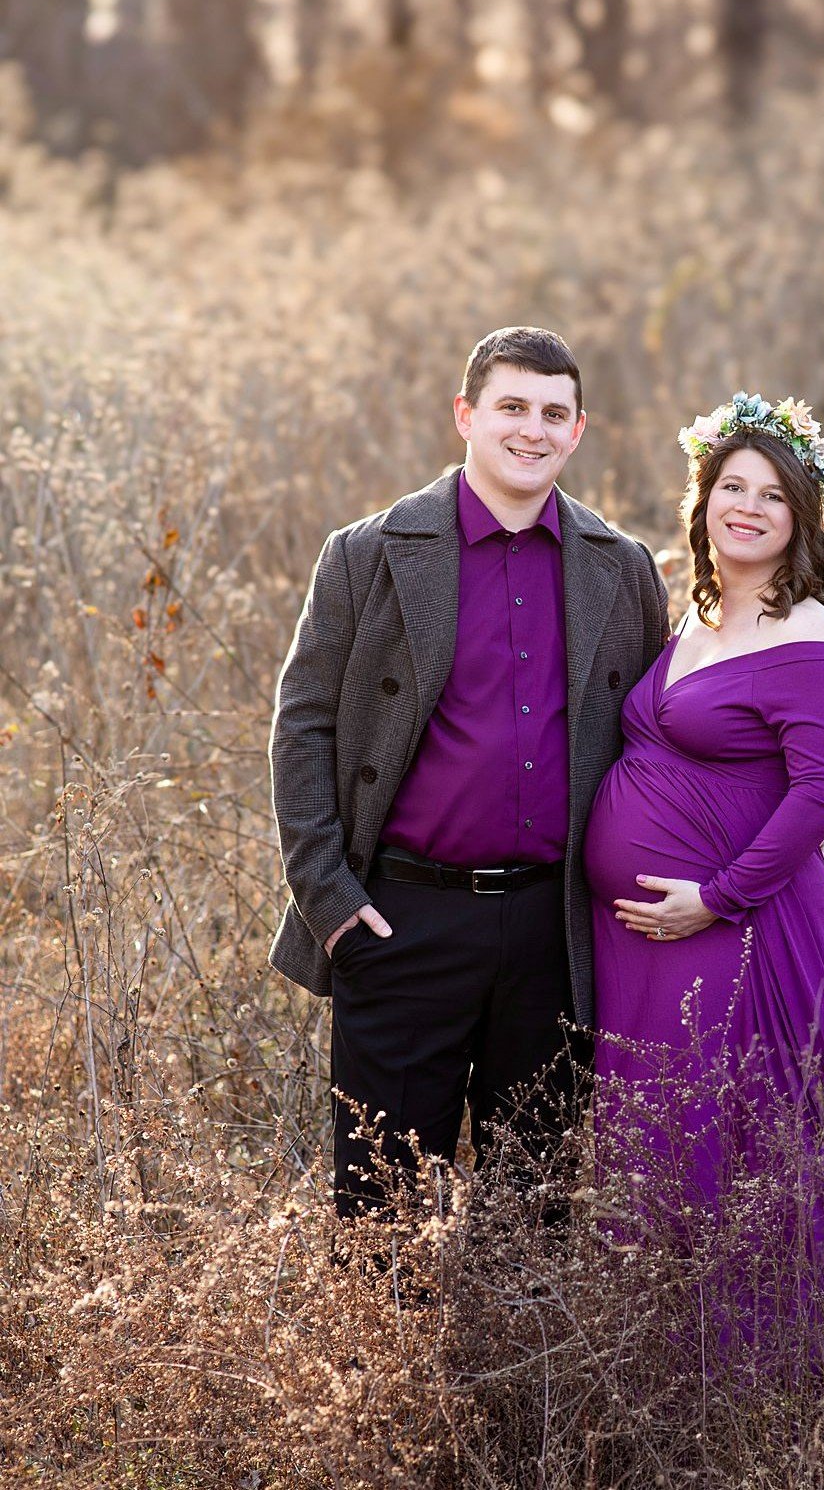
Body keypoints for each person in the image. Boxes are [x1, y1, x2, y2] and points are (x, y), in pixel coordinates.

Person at [269, 326, 669, 1219]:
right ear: (466, 415)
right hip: (401, 919)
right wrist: (331, 901)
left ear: (578, 430)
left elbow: (652, 744)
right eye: (512, 406)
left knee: (534, 1206)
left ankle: (516, 1321)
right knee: (380, 1206)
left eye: (554, 413)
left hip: (555, 929)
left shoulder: (624, 569)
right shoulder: (367, 553)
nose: (532, 429)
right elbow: (303, 725)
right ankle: (380, 1320)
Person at [584, 392, 824, 1364]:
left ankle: (784, 1365)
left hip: (739, 928)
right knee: (660, 1127)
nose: (746, 508)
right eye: (731, 487)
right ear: (703, 500)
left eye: (772, 496)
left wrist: (717, 898)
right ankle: (663, 1356)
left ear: (801, 518)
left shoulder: (809, 634)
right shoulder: (700, 613)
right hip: (646, 936)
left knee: (744, 1128)